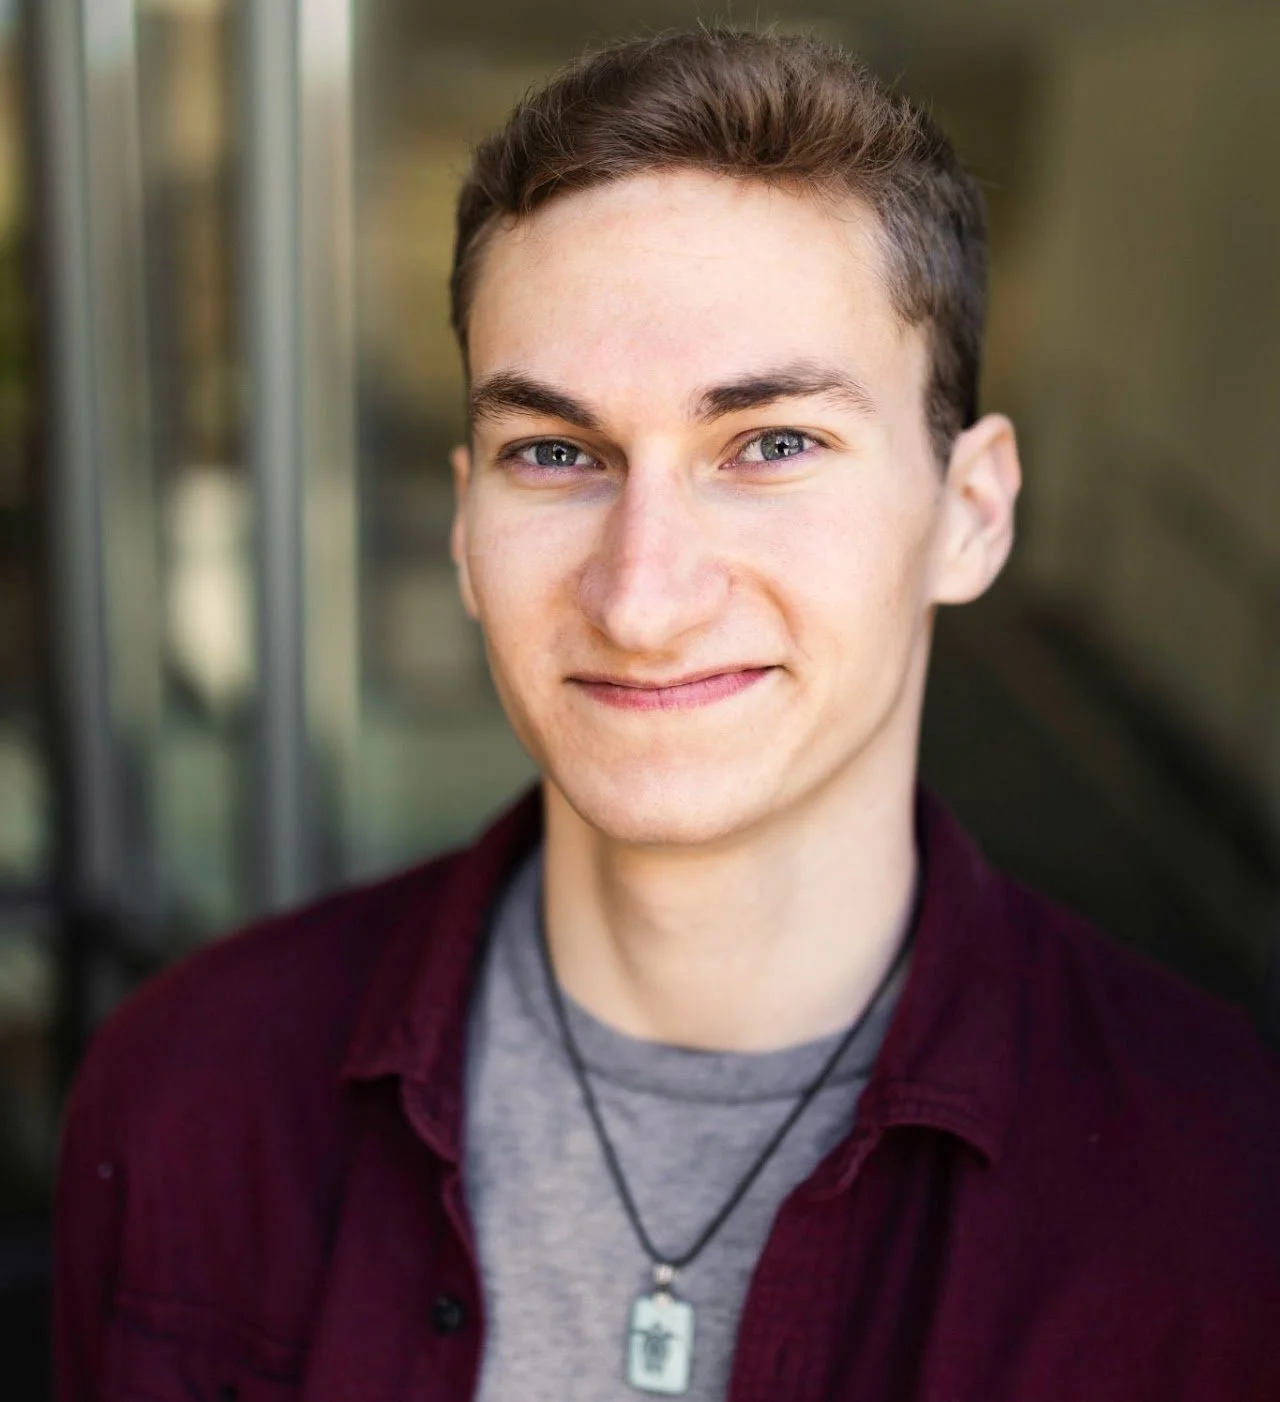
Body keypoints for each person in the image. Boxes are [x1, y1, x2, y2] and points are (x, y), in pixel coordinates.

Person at [54, 28, 1280, 1402]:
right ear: (466, 524)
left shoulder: (1229, 1192)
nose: (642, 597)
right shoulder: (187, 1096)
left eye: (769, 445)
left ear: (972, 513)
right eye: (557, 454)